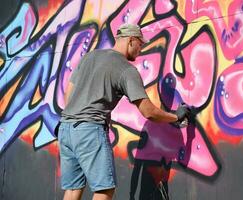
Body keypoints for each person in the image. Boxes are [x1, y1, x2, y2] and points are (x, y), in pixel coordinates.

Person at [58, 23, 190, 200]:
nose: (140, 50)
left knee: (73, 189)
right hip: (89, 130)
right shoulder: (126, 69)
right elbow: (148, 111)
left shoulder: (89, 57)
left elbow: (68, 94)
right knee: (104, 189)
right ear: (131, 41)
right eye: (140, 45)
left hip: (66, 129)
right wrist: (175, 116)